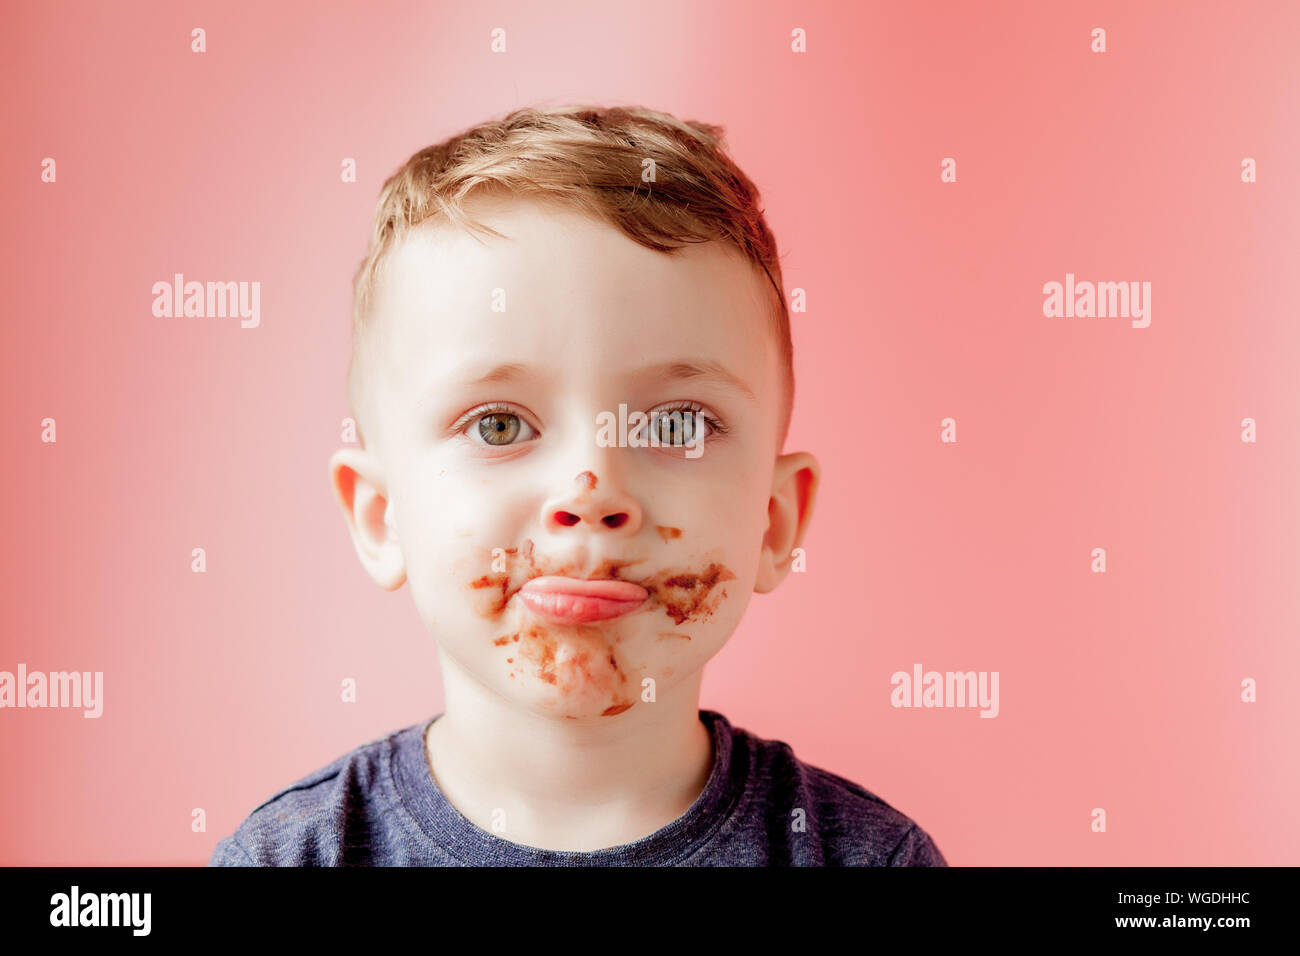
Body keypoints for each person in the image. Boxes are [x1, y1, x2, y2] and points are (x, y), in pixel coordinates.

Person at [210, 104, 946, 866]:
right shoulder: (293, 856)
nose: (592, 491)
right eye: (499, 425)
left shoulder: (864, 857)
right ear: (381, 516)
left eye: (676, 426)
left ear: (775, 520)